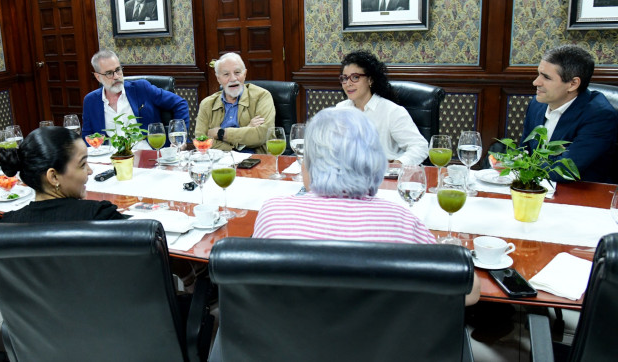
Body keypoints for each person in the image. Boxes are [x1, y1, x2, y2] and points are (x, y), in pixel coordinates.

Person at [253, 107, 480, 305]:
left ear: (310, 162)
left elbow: (252, 286)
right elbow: (469, 291)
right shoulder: (400, 220)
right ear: (374, 162)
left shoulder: (273, 213)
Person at [522, 45, 618, 183]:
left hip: (580, 196)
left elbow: (564, 170)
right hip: (536, 187)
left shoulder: (600, 116)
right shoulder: (537, 104)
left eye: (546, 77)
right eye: (538, 74)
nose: (536, 82)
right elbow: (524, 150)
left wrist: (517, 166)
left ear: (573, 84)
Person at [0, 126, 124, 223]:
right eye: (83, 164)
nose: (90, 171)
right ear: (53, 177)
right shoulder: (101, 216)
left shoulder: (9, 223)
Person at [335, 50, 428, 165]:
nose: (348, 83)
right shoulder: (340, 109)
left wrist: (397, 164)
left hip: (383, 176)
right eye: (344, 78)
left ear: (370, 80)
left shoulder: (391, 112)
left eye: (355, 77)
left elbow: (420, 146)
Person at [81, 50, 189, 145]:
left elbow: (180, 103)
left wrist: (179, 139)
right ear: (98, 77)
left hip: (148, 154)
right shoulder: (91, 101)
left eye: (118, 70)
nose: (116, 77)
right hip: (112, 158)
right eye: (109, 73)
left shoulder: (141, 88)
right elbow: (87, 138)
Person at [194, 52, 275, 153]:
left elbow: (262, 135)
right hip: (218, 162)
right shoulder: (207, 104)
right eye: (226, 74)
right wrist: (246, 133)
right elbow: (201, 141)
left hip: (255, 161)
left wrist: (221, 133)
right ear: (218, 78)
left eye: (237, 72)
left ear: (244, 74)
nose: (233, 79)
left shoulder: (262, 96)